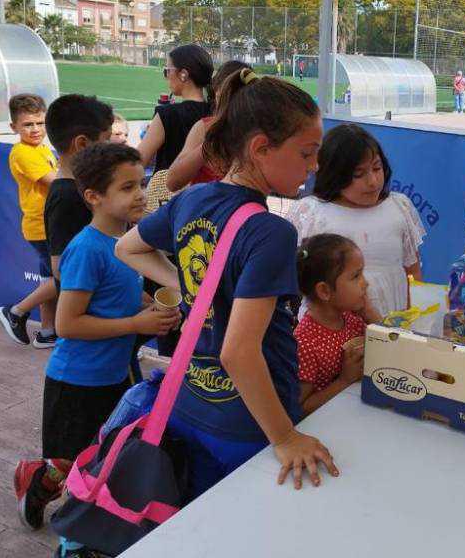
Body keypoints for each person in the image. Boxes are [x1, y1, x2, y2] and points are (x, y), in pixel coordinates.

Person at [116, 68, 338, 499]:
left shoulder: (193, 199)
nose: (314, 167)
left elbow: (127, 247)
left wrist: (192, 290)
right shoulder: (271, 233)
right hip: (249, 423)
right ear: (260, 148)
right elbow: (238, 351)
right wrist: (286, 438)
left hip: (190, 401)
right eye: (307, 153)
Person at [14, 143, 180, 553]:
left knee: (101, 461)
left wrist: (152, 309)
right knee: (67, 465)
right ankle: (36, 486)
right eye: (127, 188)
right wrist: (136, 324)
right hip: (76, 384)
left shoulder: (128, 242)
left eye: (140, 184)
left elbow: (118, 296)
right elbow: (69, 323)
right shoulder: (88, 249)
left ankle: (81, 534)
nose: (141, 194)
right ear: (94, 197)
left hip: (117, 376)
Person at [288, 123, 425, 319]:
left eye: (377, 168)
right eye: (358, 174)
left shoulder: (399, 207)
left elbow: (413, 271)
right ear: (334, 175)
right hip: (328, 334)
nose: (373, 181)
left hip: (390, 328)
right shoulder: (312, 212)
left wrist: (413, 319)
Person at [0, 94, 59, 348]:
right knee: (64, 278)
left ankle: (47, 332)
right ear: (14, 127)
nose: (35, 130)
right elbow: (56, 182)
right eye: (28, 125)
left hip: (47, 223)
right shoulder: (23, 152)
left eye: (40, 123)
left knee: (48, 281)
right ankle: (16, 311)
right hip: (43, 226)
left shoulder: (41, 148)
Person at [43, 95, 115, 285]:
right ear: (82, 144)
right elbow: (60, 268)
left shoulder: (81, 186)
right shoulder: (66, 198)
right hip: (94, 309)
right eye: (106, 141)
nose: (110, 148)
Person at [294, 234, 368, 415]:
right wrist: (344, 380)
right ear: (325, 291)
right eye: (356, 276)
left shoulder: (352, 319)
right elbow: (301, 408)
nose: (366, 283)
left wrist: (368, 311)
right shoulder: (305, 342)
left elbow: (388, 342)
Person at [166, 60, 252, 192]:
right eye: (227, 94)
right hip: (205, 209)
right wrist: (208, 145)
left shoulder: (256, 131)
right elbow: (172, 182)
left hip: (243, 209)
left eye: (239, 96)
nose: (233, 102)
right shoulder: (205, 128)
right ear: (216, 93)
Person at [137, 44, 213, 174]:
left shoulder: (168, 115)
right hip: (209, 191)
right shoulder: (219, 112)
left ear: (183, 74)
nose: (166, 76)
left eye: (167, 70)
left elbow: (138, 162)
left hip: (170, 191)